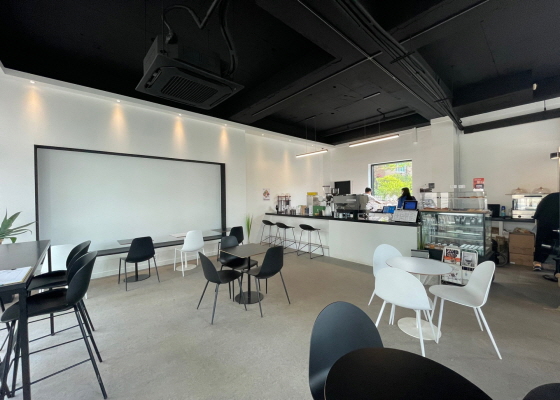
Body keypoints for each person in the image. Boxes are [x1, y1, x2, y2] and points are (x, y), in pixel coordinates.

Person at [532, 192, 559, 273]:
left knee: (541, 242)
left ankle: (537, 263)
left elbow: (538, 210)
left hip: (544, 223)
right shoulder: (552, 197)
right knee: (555, 245)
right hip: (554, 223)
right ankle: (556, 267)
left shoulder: (550, 196)